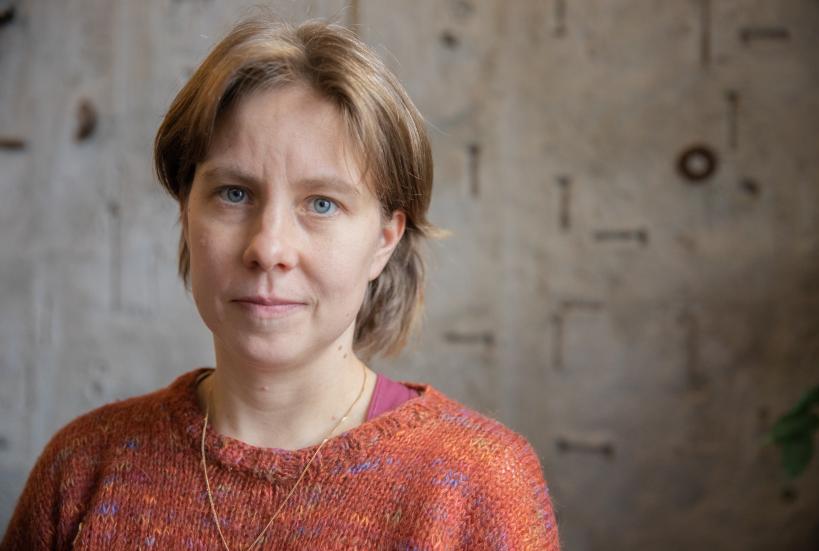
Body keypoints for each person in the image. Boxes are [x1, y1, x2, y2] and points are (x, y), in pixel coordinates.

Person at [1, 16, 560, 550]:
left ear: (385, 240)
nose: (268, 248)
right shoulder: (82, 469)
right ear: (185, 213)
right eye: (234, 193)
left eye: (322, 203)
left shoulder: (477, 487)